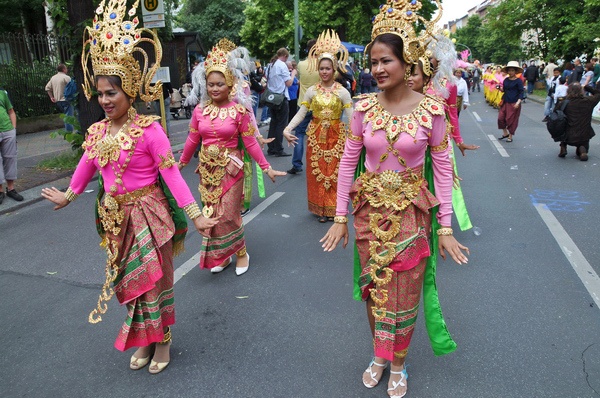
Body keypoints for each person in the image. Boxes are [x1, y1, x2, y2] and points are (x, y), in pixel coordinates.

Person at [41, 1, 218, 374]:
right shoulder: (97, 132)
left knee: (156, 281)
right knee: (131, 282)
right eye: (101, 94)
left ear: (131, 90)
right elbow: (85, 167)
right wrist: (68, 196)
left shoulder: (149, 129)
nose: (105, 101)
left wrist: (196, 215)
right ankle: (144, 338)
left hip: (151, 215)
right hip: (115, 219)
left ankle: (163, 342)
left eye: (112, 94)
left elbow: (171, 175)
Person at [320, 2, 469, 397]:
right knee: (375, 288)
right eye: (373, 62)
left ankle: (398, 361)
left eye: (386, 60)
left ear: (407, 63)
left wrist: (446, 227)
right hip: (369, 214)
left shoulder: (431, 110)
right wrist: (339, 218)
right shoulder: (363, 108)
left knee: (405, 293)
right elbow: (348, 162)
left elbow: (441, 172)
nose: (378, 69)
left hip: (411, 216)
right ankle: (379, 354)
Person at [178, 38, 286, 275]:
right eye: (211, 84)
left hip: (232, 168)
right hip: (207, 171)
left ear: (229, 85)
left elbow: (249, 143)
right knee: (212, 214)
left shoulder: (239, 111)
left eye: (219, 84)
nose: (215, 89)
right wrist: (181, 163)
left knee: (229, 214)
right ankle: (223, 255)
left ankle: (241, 252)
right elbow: (192, 140)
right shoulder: (199, 111)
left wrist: (266, 166)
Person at [283, 29, 353, 223]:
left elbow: (352, 117)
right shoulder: (312, 91)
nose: (324, 72)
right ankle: (321, 208)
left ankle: (334, 208)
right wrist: (287, 129)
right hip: (315, 135)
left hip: (337, 135)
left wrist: (360, 136)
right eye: (321, 68)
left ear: (335, 69)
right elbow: (301, 113)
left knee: (335, 173)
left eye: (327, 68)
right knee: (318, 173)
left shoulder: (343, 92)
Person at [288, 39, 319, 175]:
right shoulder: (323, 65)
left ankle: (297, 164)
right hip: (320, 104)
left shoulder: (301, 64)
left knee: (299, 134)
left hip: (304, 104)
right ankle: (320, 161)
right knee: (320, 134)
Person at [265, 48, 296, 156]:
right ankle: (278, 148)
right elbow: (288, 83)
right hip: (281, 97)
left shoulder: (270, 65)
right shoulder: (282, 65)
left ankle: (271, 147)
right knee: (281, 124)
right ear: (285, 56)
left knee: (274, 122)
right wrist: (293, 75)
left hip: (272, 97)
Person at [558, 83, 600, 160]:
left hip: (568, 135)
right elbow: (598, 94)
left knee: (562, 125)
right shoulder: (588, 101)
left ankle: (563, 146)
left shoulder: (564, 102)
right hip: (584, 134)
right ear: (581, 91)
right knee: (583, 141)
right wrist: (587, 87)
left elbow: (556, 115)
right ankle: (582, 149)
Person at [0, 88, 23, 204]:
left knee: (10, 158)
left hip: (7, 130)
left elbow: (11, 111)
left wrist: (13, 129)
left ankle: (11, 188)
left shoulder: (2, 93)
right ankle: (0, 190)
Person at [498, 61, 525, 143]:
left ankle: (510, 136)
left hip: (514, 102)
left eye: (512, 70)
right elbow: (504, 90)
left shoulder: (518, 81)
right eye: (509, 70)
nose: (511, 72)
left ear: (515, 71)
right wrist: (499, 88)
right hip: (505, 101)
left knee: (511, 120)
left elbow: (521, 92)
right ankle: (505, 133)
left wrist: (518, 102)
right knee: (501, 118)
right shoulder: (506, 80)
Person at [45, 63, 74, 132]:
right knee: (69, 117)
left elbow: (47, 88)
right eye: (66, 68)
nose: (67, 70)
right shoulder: (66, 77)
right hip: (66, 99)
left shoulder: (53, 78)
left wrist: (51, 97)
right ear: (64, 69)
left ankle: (68, 131)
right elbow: (72, 87)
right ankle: (69, 132)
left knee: (66, 115)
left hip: (58, 100)